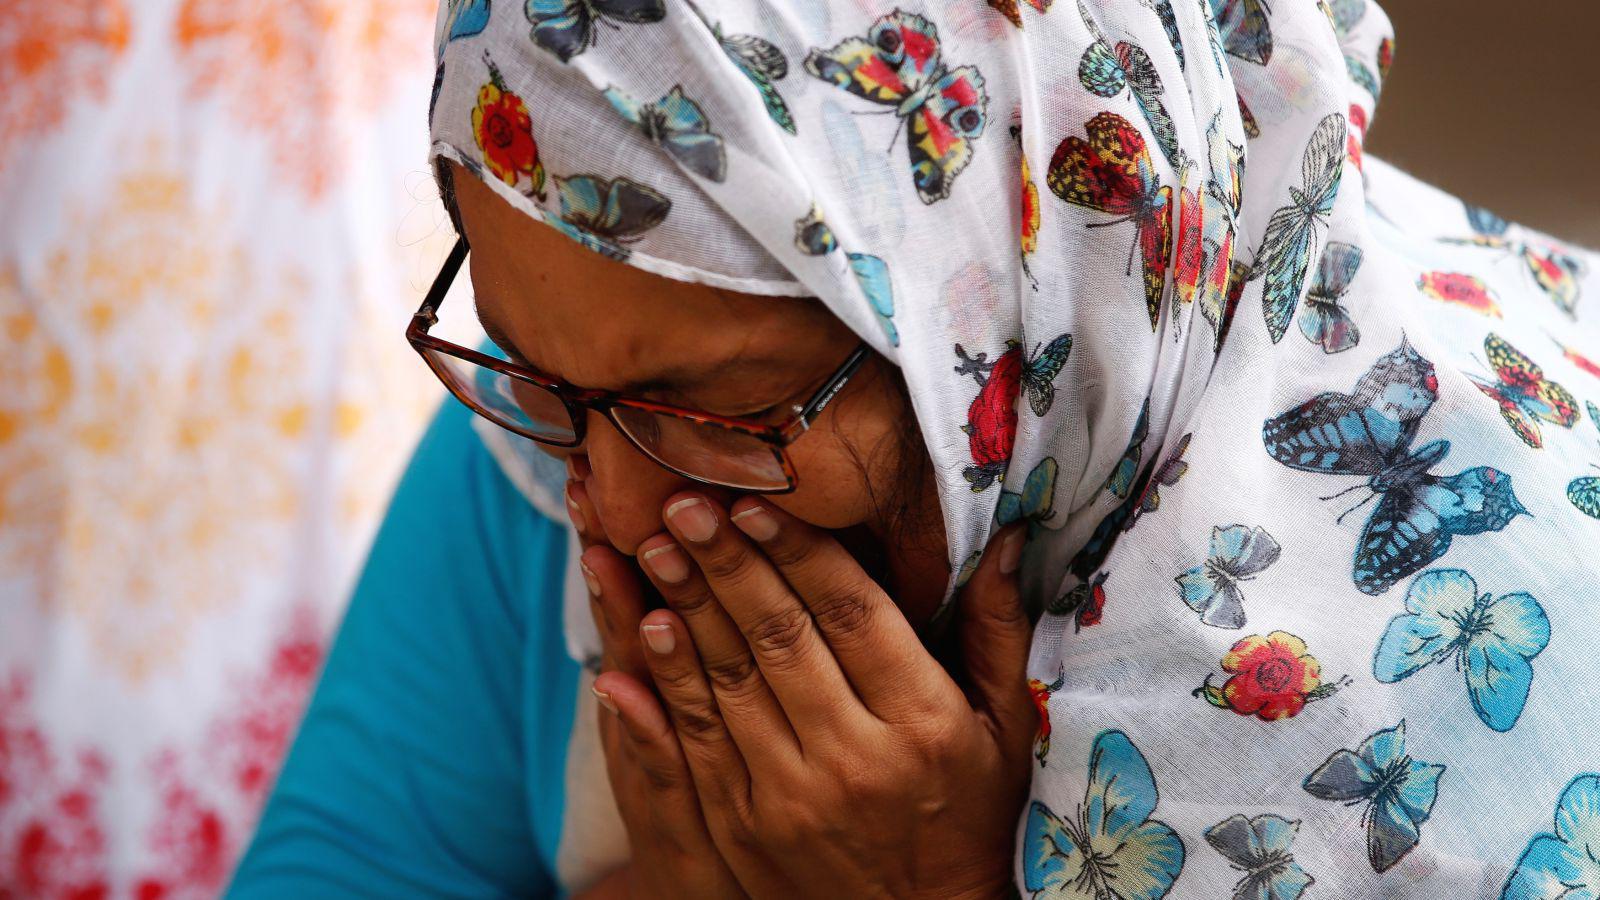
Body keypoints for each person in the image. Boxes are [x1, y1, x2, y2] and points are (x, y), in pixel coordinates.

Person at [233, 0, 1600, 897]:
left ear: (1017, 311)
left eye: (726, 416)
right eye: (527, 361)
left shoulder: (1444, 703)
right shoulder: (568, 418)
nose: (613, 510)